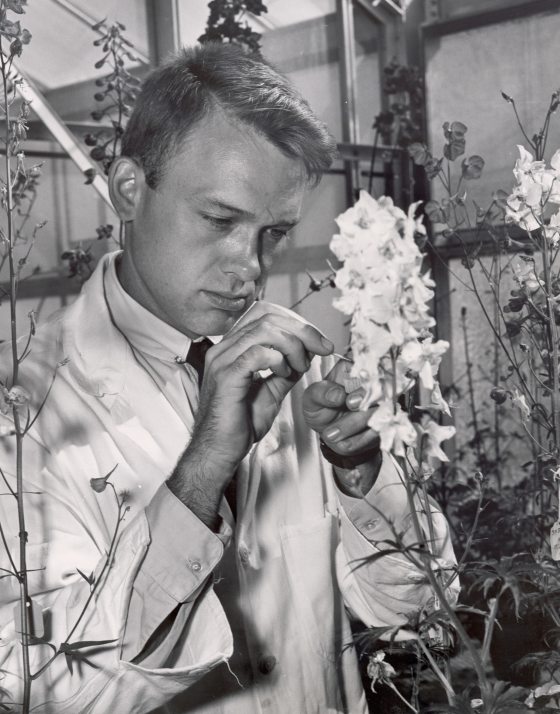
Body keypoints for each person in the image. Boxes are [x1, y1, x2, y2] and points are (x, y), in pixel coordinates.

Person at [0, 43, 457, 713]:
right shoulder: (29, 416)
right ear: (129, 189)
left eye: (273, 232)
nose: (249, 266)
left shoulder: (297, 367)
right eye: (219, 220)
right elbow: (43, 685)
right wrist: (205, 465)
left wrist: (363, 477)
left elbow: (415, 603)